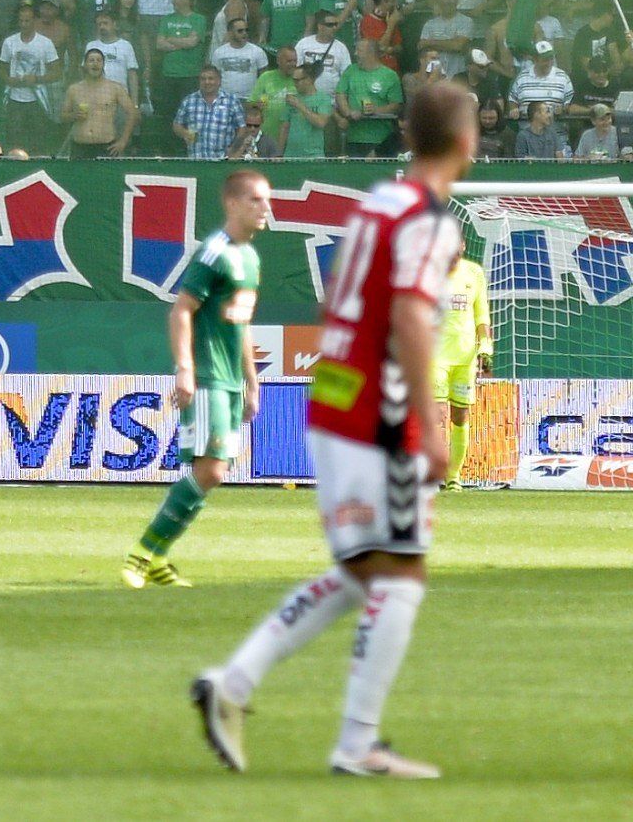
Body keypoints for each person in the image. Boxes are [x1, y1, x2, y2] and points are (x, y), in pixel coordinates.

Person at [195, 81, 479, 781]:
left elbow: (340, 297)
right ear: (466, 140)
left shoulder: (379, 202)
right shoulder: (430, 219)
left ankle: (233, 683)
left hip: (333, 397)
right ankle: (357, 743)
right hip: (379, 411)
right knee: (402, 574)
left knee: (361, 572)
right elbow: (409, 317)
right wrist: (429, 422)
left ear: (406, 134)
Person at [125, 168, 271, 588]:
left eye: (267, 199)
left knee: (212, 472)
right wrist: (185, 369)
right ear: (231, 203)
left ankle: (157, 557)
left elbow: (241, 323)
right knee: (211, 470)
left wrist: (252, 381)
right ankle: (143, 553)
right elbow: (181, 310)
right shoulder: (214, 253)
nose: (265, 208)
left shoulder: (250, 258)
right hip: (207, 375)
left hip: (230, 380)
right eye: (256, 200)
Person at [437, 245, 493, 490]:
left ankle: (453, 477)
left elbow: (482, 316)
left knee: (460, 416)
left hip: (465, 357)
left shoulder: (473, 272)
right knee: (436, 415)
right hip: (435, 355)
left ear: (462, 245)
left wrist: (486, 348)